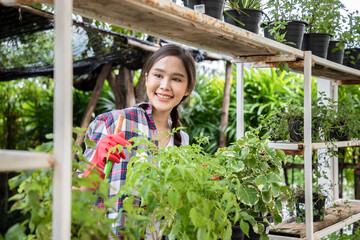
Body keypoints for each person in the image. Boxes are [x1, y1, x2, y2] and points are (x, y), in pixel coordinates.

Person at [81, 44, 196, 239]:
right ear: (146, 78)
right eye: (158, 75)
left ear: (187, 89)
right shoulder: (113, 123)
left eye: (176, 79)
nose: (165, 85)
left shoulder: (181, 139)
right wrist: (97, 161)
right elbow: (78, 193)